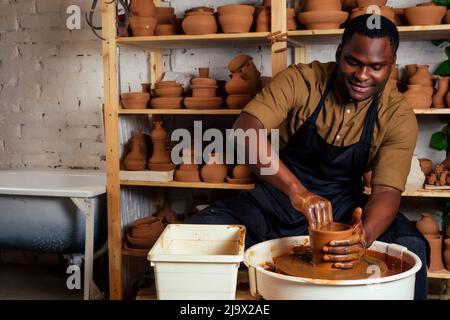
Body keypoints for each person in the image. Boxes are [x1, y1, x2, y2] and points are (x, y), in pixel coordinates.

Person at [186, 14, 428, 299]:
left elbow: (386, 191)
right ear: (339, 54)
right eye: (354, 62)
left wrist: (362, 238)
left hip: (344, 208)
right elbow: (245, 131)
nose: (362, 76)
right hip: (278, 198)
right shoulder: (303, 80)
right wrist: (296, 191)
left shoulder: (397, 114)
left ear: (392, 65)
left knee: (412, 244)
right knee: (198, 234)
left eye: (376, 67)